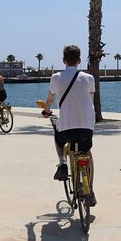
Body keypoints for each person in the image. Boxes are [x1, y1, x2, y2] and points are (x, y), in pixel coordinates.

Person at [40, 45, 97, 206]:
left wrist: (46, 110)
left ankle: (62, 163)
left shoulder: (56, 77)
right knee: (87, 152)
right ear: (79, 61)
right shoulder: (89, 78)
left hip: (67, 126)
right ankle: (90, 190)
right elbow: (90, 100)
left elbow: (50, 100)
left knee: (59, 139)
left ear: (64, 61)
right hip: (86, 125)